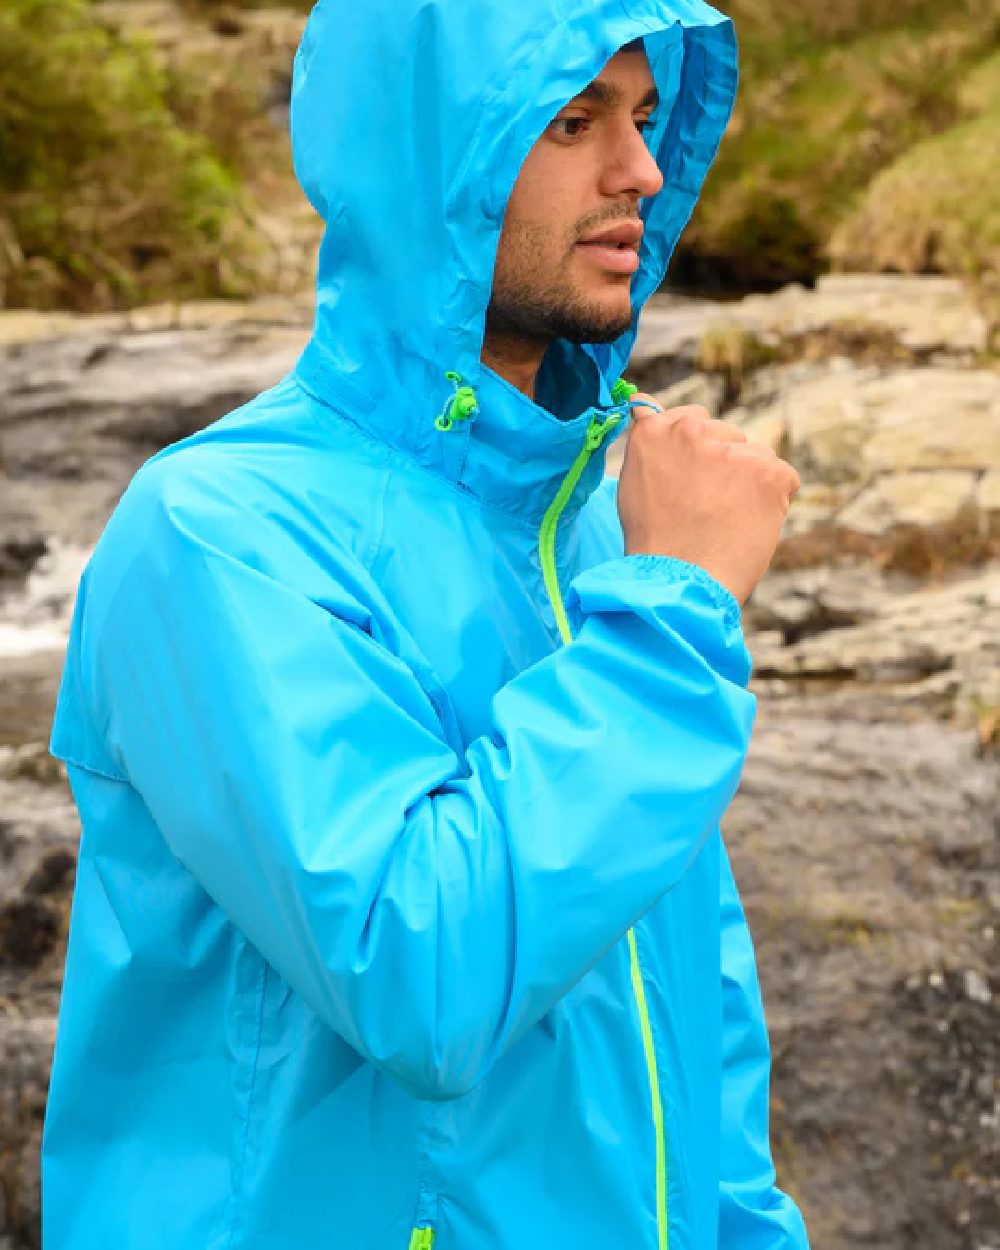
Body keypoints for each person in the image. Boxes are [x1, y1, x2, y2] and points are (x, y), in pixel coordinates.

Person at [41, 0, 808, 1247]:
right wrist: (679, 614)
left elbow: (685, 989)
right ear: (427, 161)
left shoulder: (592, 528)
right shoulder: (219, 531)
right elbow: (425, 970)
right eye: (572, 121)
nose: (644, 172)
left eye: (647, 117)